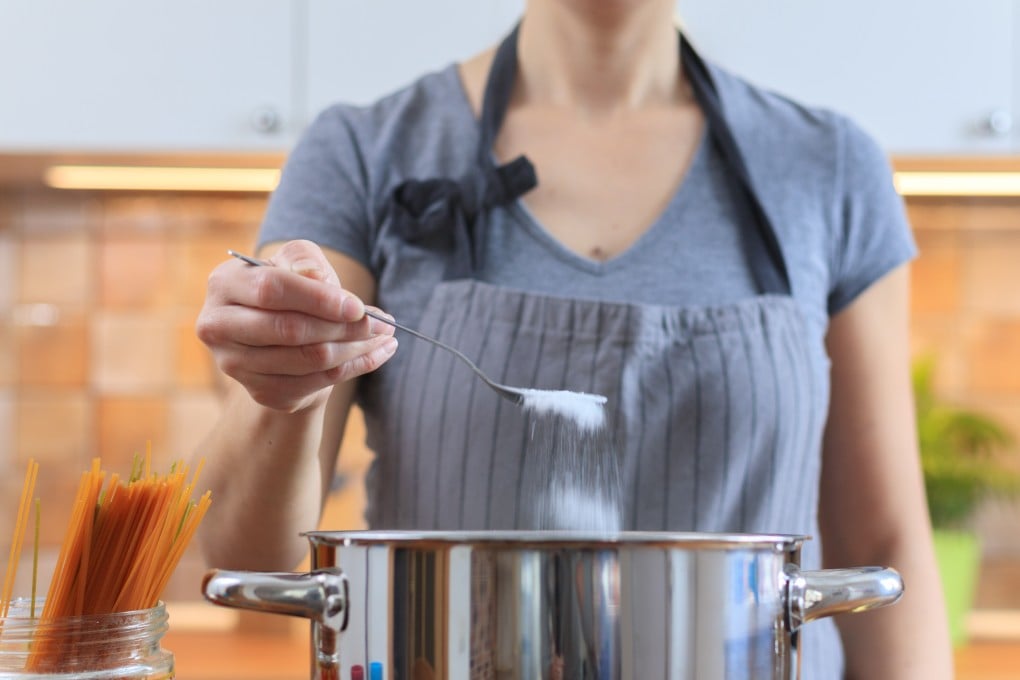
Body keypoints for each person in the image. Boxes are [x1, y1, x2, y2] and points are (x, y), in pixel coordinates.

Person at [192, 0, 953, 677]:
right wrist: (284, 384)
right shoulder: (365, 151)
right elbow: (244, 552)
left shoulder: (830, 168)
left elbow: (884, 542)